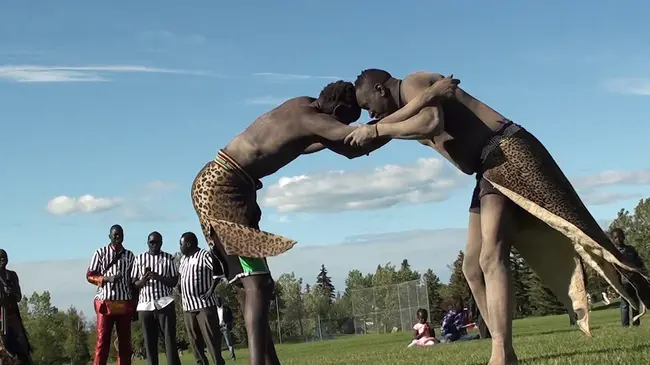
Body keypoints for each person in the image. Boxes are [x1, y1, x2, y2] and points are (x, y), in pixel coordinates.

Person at [346, 69, 650, 365]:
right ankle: (502, 347)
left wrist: (376, 130)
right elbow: (424, 140)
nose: (369, 114)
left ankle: (502, 354)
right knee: (472, 267)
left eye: (367, 106)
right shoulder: (411, 104)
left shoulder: (412, 83)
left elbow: (429, 121)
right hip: (486, 168)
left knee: (494, 256)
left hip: (505, 152)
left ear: (380, 91)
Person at [190, 80, 453, 365]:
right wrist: (426, 97)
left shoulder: (302, 104)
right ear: (337, 110)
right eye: (343, 119)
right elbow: (354, 143)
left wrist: (356, 131)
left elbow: (306, 141)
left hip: (222, 182)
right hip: (223, 189)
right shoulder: (313, 119)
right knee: (257, 285)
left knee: (249, 285)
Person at [86, 224, 136, 365]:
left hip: (123, 302)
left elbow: (133, 280)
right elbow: (90, 275)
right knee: (103, 340)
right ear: (110, 236)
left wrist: (134, 303)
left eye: (120, 234)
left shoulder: (130, 255)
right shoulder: (100, 252)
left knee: (125, 341)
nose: (118, 237)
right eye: (115, 235)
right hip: (105, 302)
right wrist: (106, 279)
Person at [131, 232, 182, 365]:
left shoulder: (168, 258)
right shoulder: (139, 259)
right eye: (151, 242)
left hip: (164, 302)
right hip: (145, 305)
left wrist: (159, 277)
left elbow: (174, 281)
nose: (154, 245)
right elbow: (133, 284)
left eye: (157, 242)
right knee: (149, 342)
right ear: (147, 243)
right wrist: (143, 280)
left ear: (161, 243)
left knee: (169, 340)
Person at [178, 232, 225, 365]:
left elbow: (218, 272)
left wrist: (211, 290)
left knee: (211, 340)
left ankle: (218, 362)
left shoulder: (204, 255)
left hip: (203, 306)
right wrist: (180, 287)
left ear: (188, 244)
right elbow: (182, 277)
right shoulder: (183, 259)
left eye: (180, 244)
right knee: (194, 342)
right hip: (188, 307)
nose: (180, 247)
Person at [0, 250, 32, 365]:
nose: (2, 261)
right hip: (1, 315)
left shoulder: (11, 275)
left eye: (4, 258)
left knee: (21, 349)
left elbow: (18, 296)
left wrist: (11, 292)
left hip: (11, 316)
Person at [611, 228, 646, 327]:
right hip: (622, 281)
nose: (618, 239)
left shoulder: (630, 249)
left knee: (635, 301)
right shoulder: (613, 252)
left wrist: (642, 273)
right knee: (625, 303)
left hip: (634, 280)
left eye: (620, 236)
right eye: (615, 238)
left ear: (624, 237)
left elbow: (639, 263)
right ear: (613, 239)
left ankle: (636, 323)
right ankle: (625, 325)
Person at [216, 296, 236, 360]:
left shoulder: (226, 308)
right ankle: (220, 358)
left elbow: (231, 317)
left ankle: (232, 357)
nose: (218, 303)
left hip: (225, 327)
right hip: (218, 328)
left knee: (229, 343)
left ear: (221, 301)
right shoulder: (214, 310)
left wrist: (228, 325)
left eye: (219, 301)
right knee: (218, 344)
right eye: (216, 301)